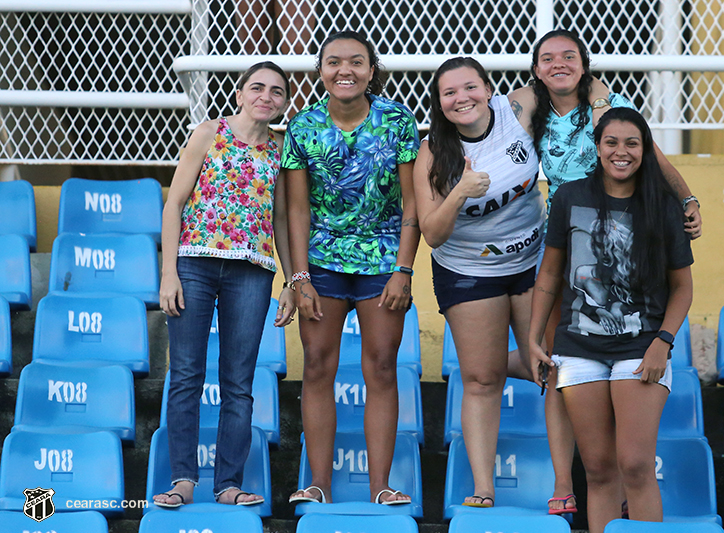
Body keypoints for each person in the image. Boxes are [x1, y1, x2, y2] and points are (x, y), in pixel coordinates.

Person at [528, 29, 703, 515]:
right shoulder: (566, 197)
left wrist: (661, 343)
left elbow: (682, 287)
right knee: (600, 468)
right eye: (610, 143)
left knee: (634, 465)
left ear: (642, 149)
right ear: (597, 146)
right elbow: (549, 279)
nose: (619, 150)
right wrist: (532, 337)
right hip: (579, 343)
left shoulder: (659, 207)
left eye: (631, 143)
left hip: (639, 344)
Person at [283, 30, 420, 506]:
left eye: (357, 62)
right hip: (321, 263)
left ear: (371, 70)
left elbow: (411, 204)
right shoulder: (302, 128)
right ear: (319, 71)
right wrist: (299, 276)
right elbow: (297, 212)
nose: (345, 70)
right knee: (318, 367)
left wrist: (404, 268)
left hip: (383, 262)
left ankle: (380, 485)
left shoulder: (398, 120)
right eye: (334, 62)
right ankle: (318, 483)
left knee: (382, 367)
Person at [154, 61, 296, 508]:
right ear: (239, 93)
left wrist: (293, 280)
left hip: (252, 273)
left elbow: (279, 221)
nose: (265, 97)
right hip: (194, 265)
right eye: (257, 87)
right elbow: (174, 204)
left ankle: (228, 484)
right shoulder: (207, 133)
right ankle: (182, 481)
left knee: (238, 382)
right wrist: (168, 272)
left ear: (284, 103)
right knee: (187, 375)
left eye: (276, 91)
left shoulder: (281, 151)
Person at [413, 56, 547, 508]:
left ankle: (566, 482)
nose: (461, 98)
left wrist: (605, 104)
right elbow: (431, 232)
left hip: (532, 263)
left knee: (547, 365)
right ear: (439, 103)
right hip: (469, 273)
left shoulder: (519, 110)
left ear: (488, 89)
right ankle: (483, 487)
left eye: (469, 87)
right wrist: (460, 191)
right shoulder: (432, 151)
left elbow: (579, 81)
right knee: (482, 381)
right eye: (449, 93)